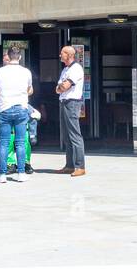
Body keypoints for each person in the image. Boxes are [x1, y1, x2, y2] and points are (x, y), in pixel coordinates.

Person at [0, 47, 33, 183]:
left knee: (4, 142)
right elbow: (29, 89)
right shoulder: (26, 72)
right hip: (21, 108)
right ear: (19, 57)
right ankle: (21, 173)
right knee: (20, 142)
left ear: (8, 56)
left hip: (5, 108)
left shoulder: (0, 72)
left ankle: (2, 175)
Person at [56, 44, 86, 176]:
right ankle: (69, 165)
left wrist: (61, 87)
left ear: (69, 55)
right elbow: (58, 88)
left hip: (72, 103)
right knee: (66, 136)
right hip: (63, 102)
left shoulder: (76, 69)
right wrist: (60, 87)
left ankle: (80, 166)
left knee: (74, 135)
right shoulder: (65, 70)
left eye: (62, 53)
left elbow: (65, 86)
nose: (60, 55)